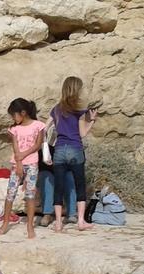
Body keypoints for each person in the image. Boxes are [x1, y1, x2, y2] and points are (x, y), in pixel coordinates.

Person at [48, 76, 97, 233]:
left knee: (59, 187)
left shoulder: (56, 109)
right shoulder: (79, 111)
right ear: (77, 90)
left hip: (60, 150)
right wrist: (92, 121)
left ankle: (58, 223)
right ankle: (81, 221)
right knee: (80, 185)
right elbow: (82, 133)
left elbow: (44, 127)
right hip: (75, 149)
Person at [0, 98, 46, 239]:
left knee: (30, 194)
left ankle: (30, 225)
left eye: (14, 115)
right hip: (16, 164)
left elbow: (37, 145)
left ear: (23, 113)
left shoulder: (38, 125)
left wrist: (24, 155)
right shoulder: (14, 129)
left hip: (32, 164)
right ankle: (5, 222)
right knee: (10, 193)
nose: (13, 118)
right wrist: (18, 164)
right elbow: (15, 147)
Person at [37, 159, 76, 227]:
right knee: (46, 178)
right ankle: (47, 214)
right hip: (47, 164)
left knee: (69, 178)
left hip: (66, 162)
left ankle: (71, 213)